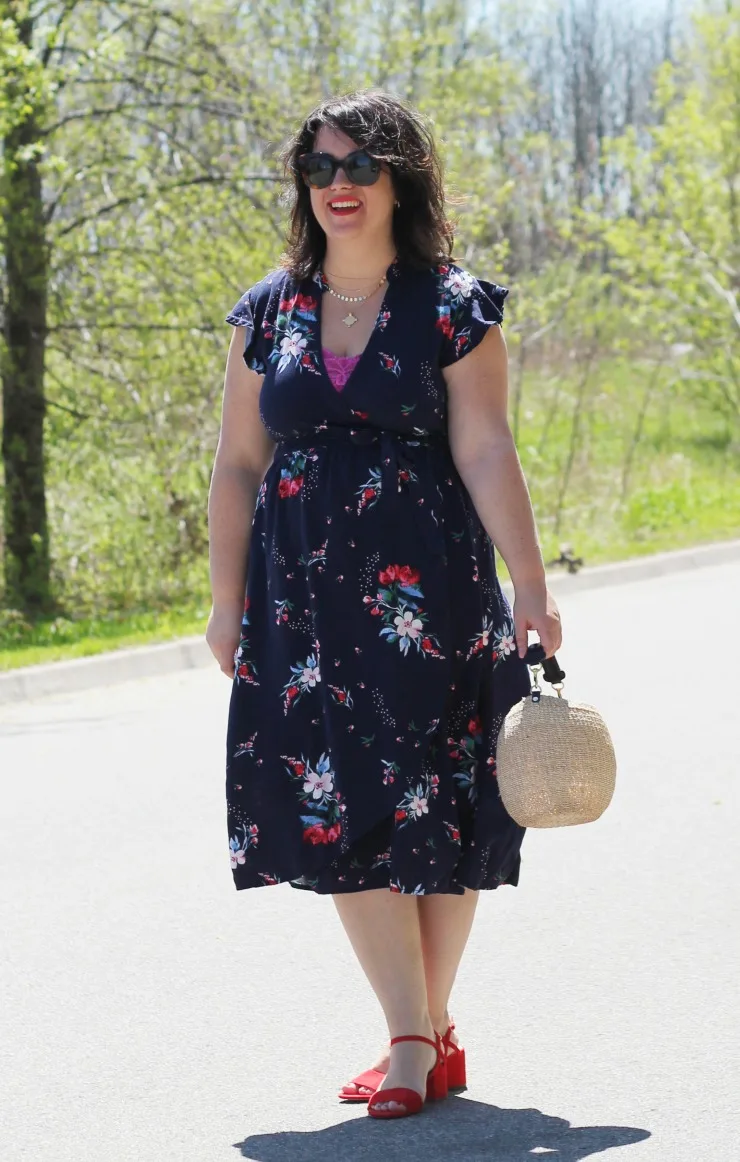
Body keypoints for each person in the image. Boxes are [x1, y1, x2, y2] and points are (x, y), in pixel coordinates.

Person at [206, 88, 562, 1120]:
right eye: (318, 169)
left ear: (401, 175)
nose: (338, 186)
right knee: (336, 810)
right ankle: (417, 1034)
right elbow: (235, 464)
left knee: (440, 804)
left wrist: (531, 587)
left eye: (359, 165)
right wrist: (224, 601)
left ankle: (417, 1031)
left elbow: (486, 448)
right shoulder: (266, 310)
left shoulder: (451, 306)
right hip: (300, 607)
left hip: (433, 596)